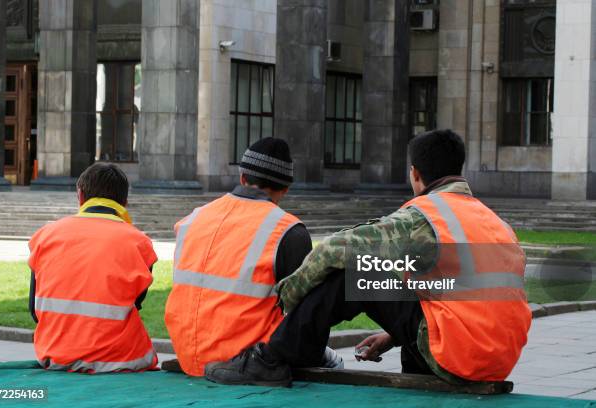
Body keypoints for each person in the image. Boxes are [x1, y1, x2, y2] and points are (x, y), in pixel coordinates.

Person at [204, 129, 532, 387]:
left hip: (459, 357)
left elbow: (336, 249)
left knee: (357, 273)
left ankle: (273, 358)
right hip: (497, 359)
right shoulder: (493, 222)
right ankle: (417, 365)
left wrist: (288, 296)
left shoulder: (426, 216)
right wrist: (394, 334)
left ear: (415, 174)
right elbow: (462, 293)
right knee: (393, 272)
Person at [165, 137, 342, 379]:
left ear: (242, 177)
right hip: (248, 361)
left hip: (189, 355)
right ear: (286, 189)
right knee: (331, 359)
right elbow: (303, 314)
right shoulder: (287, 231)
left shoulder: (192, 220)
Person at [28, 163, 158, 373]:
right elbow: (136, 301)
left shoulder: (46, 235)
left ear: (80, 196)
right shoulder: (139, 242)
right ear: (124, 202)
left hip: (55, 355)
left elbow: (33, 309)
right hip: (122, 360)